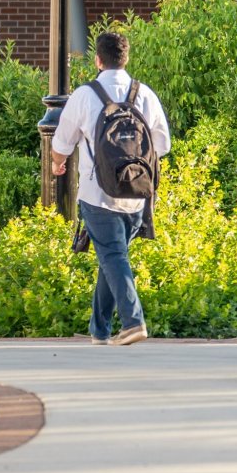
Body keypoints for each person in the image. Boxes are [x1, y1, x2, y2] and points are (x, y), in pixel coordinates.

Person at [51, 32, 171, 346]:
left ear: (98, 60)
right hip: (137, 194)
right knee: (112, 255)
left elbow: (61, 142)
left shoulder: (85, 94)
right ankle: (99, 329)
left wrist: (57, 164)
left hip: (97, 193)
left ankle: (133, 322)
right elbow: (162, 145)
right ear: (126, 59)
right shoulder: (144, 94)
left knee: (113, 255)